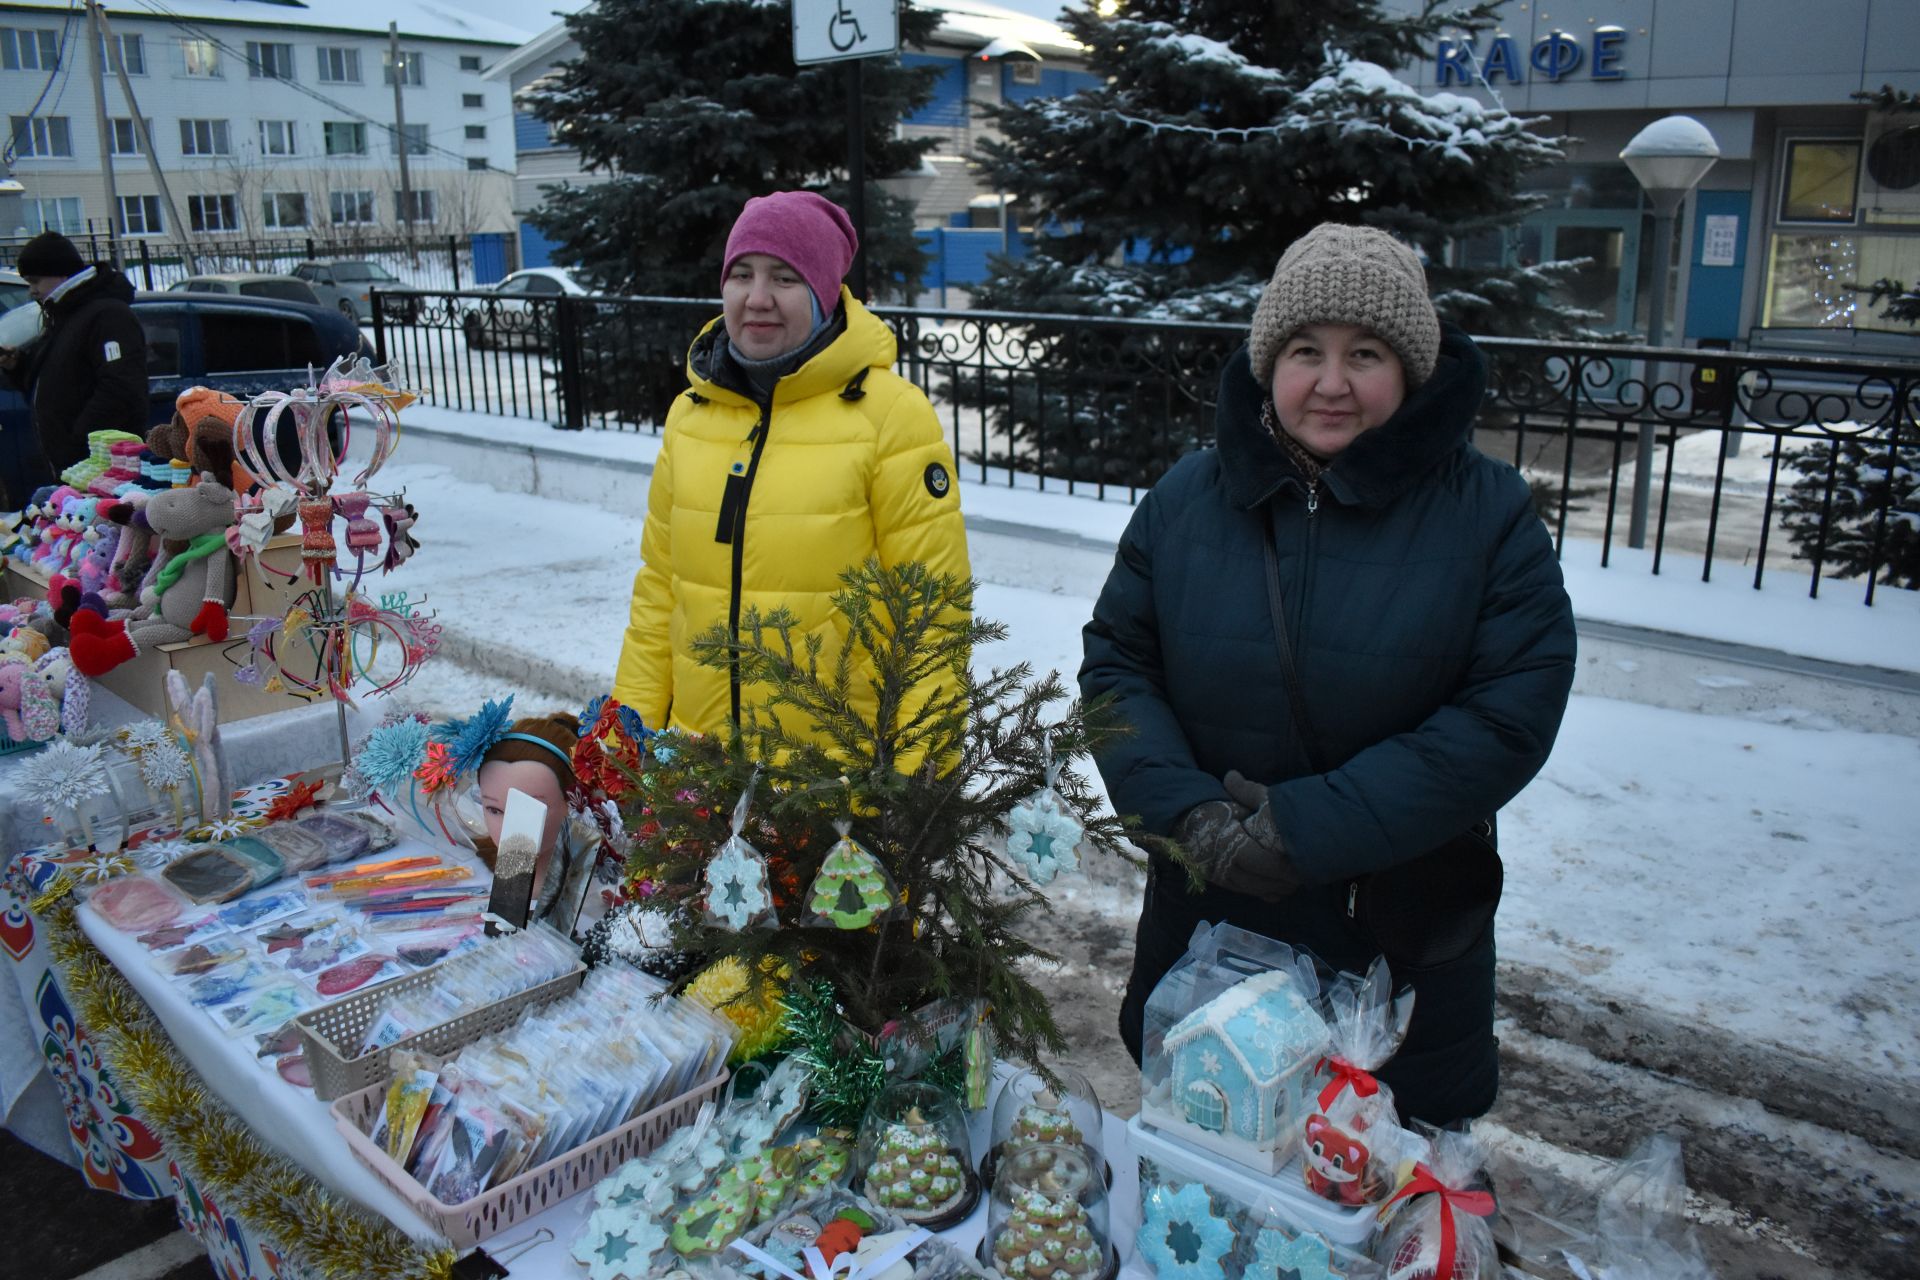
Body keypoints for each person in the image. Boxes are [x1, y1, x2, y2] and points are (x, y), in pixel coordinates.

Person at [1080, 223, 1576, 1125]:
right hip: (1208, 926)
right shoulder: (1188, 500)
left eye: (1367, 353)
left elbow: (1509, 712)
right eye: (1307, 350)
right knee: (1201, 1198)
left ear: (1412, 368)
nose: (1333, 382)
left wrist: (1307, 828)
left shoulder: (1489, 515)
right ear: (1271, 360)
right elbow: (1119, 667)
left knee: (1376, 1203)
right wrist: (1192, 819)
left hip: (1396, 945)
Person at [611, 191, 970, 751]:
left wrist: (912, 790)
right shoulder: (692, 414)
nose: (757, 299)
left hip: (832, 785)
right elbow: (660, 591)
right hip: (695, 774)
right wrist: (626, 740)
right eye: (742, 274)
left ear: (823, 294)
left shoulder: (889, 416)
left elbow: (932, 618)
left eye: (784, 278)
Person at [0, 231, 149, 502]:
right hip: (77, 468)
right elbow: (58, 380)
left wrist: (78, 442)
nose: (31, 290)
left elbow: (121, 388)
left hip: (99, 469)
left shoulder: (107, 315)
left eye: (35, 281)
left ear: (61, 275)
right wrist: (19, 366)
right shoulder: (65, 314)